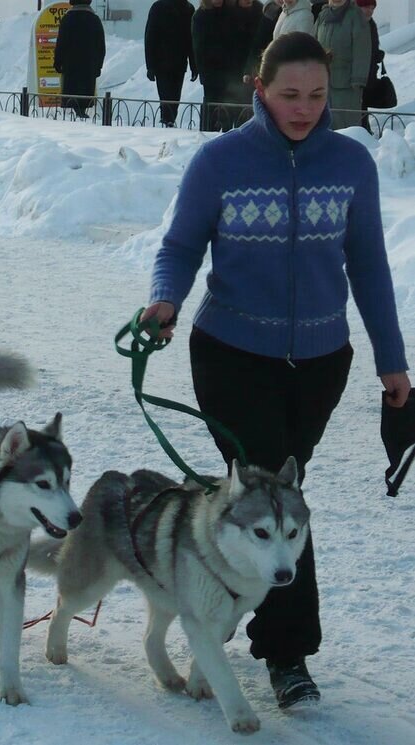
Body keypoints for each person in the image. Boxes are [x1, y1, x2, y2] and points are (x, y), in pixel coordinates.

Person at [141, 31, 410, 711]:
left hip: (320, 362)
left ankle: (226, 591)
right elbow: (178, 246)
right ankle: (287, 653)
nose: (305, 108)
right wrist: (164, 299)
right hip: (230, 355)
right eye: (289, 94)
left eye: (317, 95)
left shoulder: (350, 164)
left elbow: (369, 266)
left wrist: (391, 361)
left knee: (276, 490)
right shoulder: (220, 162)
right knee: (271, 483)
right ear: (259, 90)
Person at [315, 0, 371, 128]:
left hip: (347, 84)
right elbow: (313, 44)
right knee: (324, 123)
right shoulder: (323, 15)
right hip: (323, 81)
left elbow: (362, 49)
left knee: (346, 125)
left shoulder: (355, 16)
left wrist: (358, 80)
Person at [144, 0, 196, 127]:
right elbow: (150, 37)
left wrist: (194, 65)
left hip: (176, 62)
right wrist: (150, 65)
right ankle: (167, 121)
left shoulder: (188, 8)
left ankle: (169, 121)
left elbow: (191, 39)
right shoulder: (159, 7)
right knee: (167, 97)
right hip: (163, 63)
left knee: (174, 97)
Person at [53, 0, 105, 118]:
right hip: (89, 66)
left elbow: (61, 43)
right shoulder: (94, 20)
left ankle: (78, 112)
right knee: (84, 93)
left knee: (72, 93)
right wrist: (99, 65)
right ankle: (81, 111)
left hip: (71, 66)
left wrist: (58, 61)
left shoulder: (68, 19)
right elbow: (101, 46)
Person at [192, 0, 232, 130]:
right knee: (211, 105)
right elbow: (198, 47)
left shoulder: (230, 13)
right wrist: (203, 71)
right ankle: (208, 131)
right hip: (211, 70)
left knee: (228, 105)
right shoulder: (201, 15)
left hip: (229, 69)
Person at [356, 0, 383, 131]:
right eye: (366, 7)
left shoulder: (371, 24)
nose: (370, 11)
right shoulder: (355, 24)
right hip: (356, 77)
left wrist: (377, 55)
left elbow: (372, 49)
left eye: (372, 8)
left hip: (367, 76)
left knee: (363, 108)